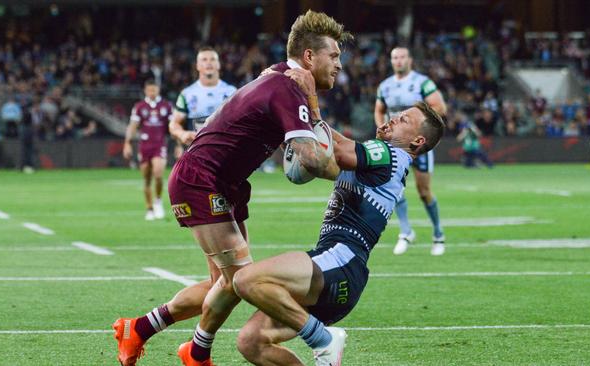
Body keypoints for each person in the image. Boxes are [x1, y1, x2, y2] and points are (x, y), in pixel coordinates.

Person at [113, 10, 351, 366]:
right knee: (243, 279)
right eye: (333, 56)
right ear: (308, 57)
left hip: (226, 183)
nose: (339, 65)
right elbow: (312, 161)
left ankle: (142, 330)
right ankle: (309, 338)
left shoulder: (280, 76)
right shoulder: (288, 87)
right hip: (200, 179)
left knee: (224, 285)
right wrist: (354, 173)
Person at [232, 100, 445, 365]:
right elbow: (328, 161)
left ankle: (322, 339)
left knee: (245, 280)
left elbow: (340, 150)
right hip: (339, 273)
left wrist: (301, 104)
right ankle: (321, 338)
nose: (393, 119)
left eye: (403, 120)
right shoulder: (386, 160)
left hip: (340, 261)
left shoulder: (388, 152)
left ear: (417, 141)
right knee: (252, 342)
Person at [374, 47, 448, 256]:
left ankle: (438, 233)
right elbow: (379, 109)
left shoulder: (422, 83)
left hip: (417, 145)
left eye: (402, 57)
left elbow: (440, 107)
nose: (398, 61)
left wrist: (414, 120)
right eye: (394, 57)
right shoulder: (385, 86)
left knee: (424, 192)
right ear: (391, 61)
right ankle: (406, 231)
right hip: (396, 144)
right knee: (394, 188)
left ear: (410, 59)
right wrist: (383, 128)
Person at [169, 47, 237, 155]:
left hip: (225, 153)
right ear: (197, 65)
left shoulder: (232, 92)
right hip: (197, 154)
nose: (209, 63)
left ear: (218, 64)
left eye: (212, 59)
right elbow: (174, 124)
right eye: (204, 60)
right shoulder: (187, 94)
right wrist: (182, 134)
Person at [123, 80, 173, 220]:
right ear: (145, 91)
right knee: (146, 178)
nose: (152, 93)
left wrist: (179, 145)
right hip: (145, 146)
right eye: (150, 90)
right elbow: (133, 126)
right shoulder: (139, 107)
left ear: (158, 90)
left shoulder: (166, 106)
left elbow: (173, 125)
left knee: (158, 174)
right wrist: (127, 143)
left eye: (154, 90)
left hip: (159, 144)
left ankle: (158, 201)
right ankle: (149, 208)